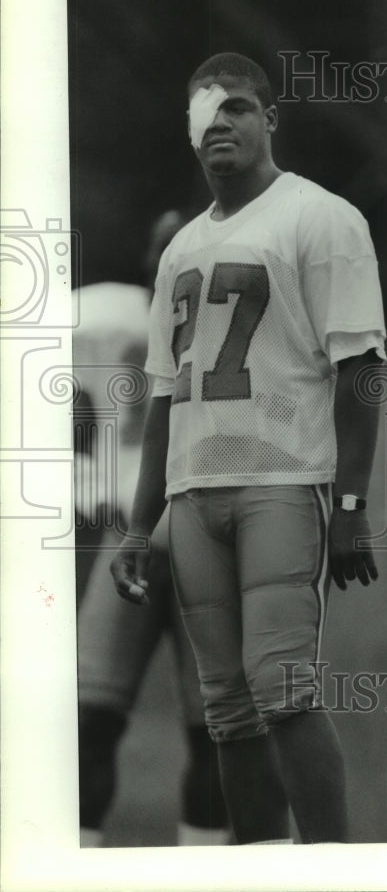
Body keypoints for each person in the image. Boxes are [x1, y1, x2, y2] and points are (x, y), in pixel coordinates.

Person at [110, 52, 387, 845]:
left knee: (285, 691)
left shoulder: (319, 216)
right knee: (226, 713)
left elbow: (363, 371)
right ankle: (256, 867)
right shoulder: (179, 250)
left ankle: (332, 864)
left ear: (270, 119)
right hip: (194, 493)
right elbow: (166, 394)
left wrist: (351, 505)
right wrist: (139, 524)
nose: (219, 123)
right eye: (204, 114)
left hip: (282, 479)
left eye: (236, 106)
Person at [74, 212, 291, 847]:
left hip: (208, 546)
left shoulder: (251, 337)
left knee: (219, 739)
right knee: (88, 724)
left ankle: (201, 875)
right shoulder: (102, 323)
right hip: (129, 543)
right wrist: (91, 491)